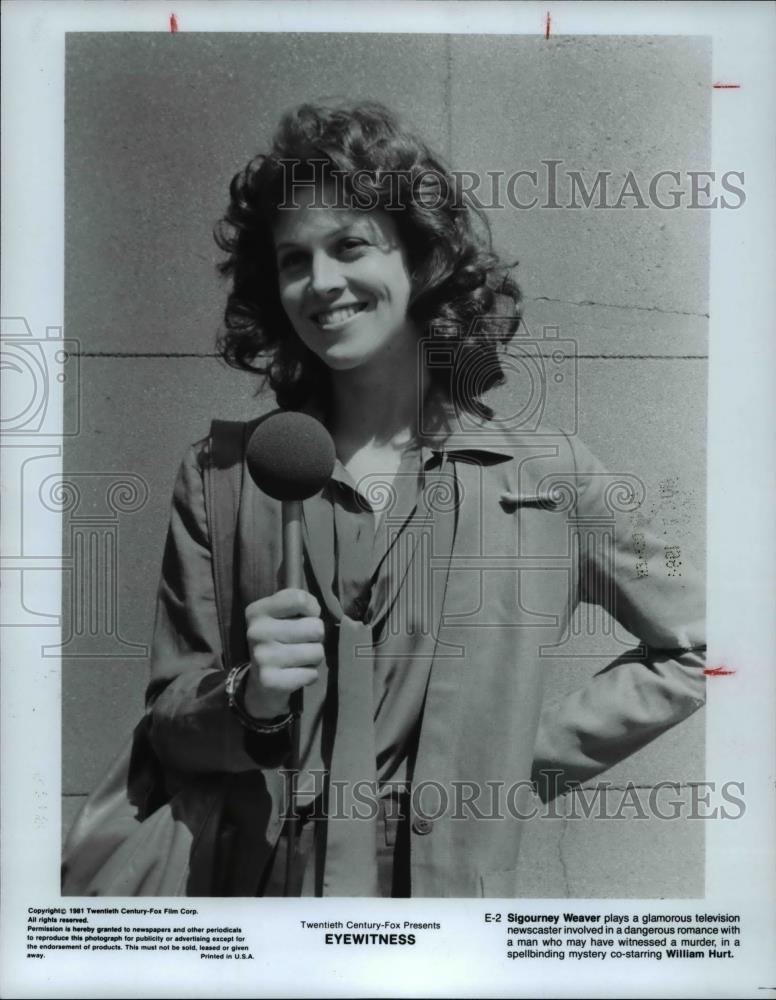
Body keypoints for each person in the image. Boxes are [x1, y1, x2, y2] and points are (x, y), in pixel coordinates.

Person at [145, 101, 706, 897]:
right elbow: (170, 728)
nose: (322, 283)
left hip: (453, 917)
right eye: (293, 259)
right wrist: (250, 698)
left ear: (420, 259)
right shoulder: (220, 474)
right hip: (266, 908)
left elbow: (705, 644)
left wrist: (517, 757)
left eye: (349, 246)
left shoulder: (548, 474)